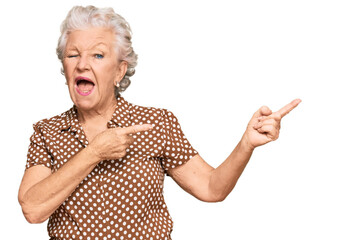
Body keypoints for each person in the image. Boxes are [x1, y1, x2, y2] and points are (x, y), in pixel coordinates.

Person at [18, 5, 301, 240]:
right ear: (65, 68)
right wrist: (94, 153)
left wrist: (246, 144)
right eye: (73, 55)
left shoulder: (156, 123)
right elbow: (32, 209)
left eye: (98, 55)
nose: (82, 64)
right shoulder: (48, 132)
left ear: (119, 71)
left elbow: (212, 189)